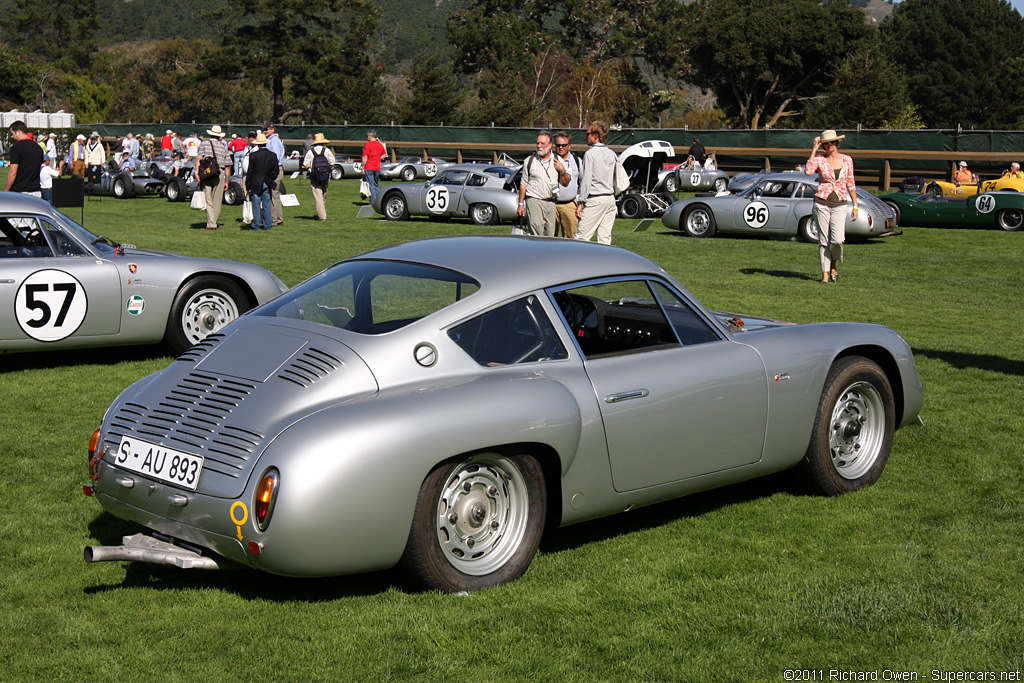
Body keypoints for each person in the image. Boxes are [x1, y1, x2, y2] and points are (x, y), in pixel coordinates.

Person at [805, 129, 857, 284]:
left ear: (837, 143)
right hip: (821, 203)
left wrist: (855, 206)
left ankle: (834, 265)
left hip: (840, 204)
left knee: (838, 240)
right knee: (823, 240)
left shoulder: (847, 160)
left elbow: (851, 183)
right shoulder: (820, 159)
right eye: (826, 143)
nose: (829, 146)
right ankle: (825, 274)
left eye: (832, 143)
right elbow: (808, 171)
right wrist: (814, 148)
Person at [517, 130, 567, 237]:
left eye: (542, 143)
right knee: (536, 233)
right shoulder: (529, 161)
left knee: (550, 235)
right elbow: (523, 184)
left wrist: (562, 171)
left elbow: (565, 183)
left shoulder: (558, 161)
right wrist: (521, 204)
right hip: (534, 200)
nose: (539, 146)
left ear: (550, 145)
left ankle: (548, 253)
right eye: (538, 143)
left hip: (551, 202)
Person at [575, 121, 618, 245]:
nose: (586, 136)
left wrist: (581, 202)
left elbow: (586, 180)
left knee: (581, 239)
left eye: (588, 133)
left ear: (595, 135)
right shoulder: (612, 154)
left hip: (595, 199)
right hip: (610, 199)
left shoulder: (590, 154)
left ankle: (577, 264)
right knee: (604, 240)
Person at [196, 125, 232, 230]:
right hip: (219, 172)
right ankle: (213, 221)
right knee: (217, 200)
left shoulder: (204, 144)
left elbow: (199, 159)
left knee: (208, 199)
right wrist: (227, 181)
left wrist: (197, 172)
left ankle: (211, 223)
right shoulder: (223, 147)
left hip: (207, 172)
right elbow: (227, 166)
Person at [245, 132, 278, 231]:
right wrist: (270, 178)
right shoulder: (272, 155)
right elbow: (276, 170)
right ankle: (268, 225)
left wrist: (248, 184)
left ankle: (256, 225)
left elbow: (250, 171)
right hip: (267, 181)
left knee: (256, 204)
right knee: (267, 204)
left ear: (257, 144)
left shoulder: (253, 155)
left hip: (256, 182)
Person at [553, 131, 580, 238]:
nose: (560, 147)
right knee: (548, 238)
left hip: (569, 205)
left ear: (569, 146)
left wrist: (581, 204)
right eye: (558, 145)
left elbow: (583, 183)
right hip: (551, 204)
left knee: (571, 239)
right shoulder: (549, 160)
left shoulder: (577, 161)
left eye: (564, 145)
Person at [302, 132, 335, 221]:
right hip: (325, 176)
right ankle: (321, 213)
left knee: (318, 196)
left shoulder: (310, 152)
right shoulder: (327, 151)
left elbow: (306, 165)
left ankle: (322, 216)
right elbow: (332, 163)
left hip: (315, 177)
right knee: (324, 195)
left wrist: (311, 170)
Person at [5, 121, 44, 196]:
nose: (11, 136)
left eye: (12, 133)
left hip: (20, 191)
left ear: (19, 132)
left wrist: (7, 190)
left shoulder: (16, 148)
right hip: (36, 191)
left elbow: (13, 172)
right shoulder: (38, 148)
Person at [264, 121, 286, 226]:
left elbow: (275, 157)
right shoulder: (272, 140)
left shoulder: (274, 141)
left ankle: (275, 219)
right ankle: (277, 219)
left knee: (274, 194)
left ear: (272, 129)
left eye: (266, 129)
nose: (264, 131)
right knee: (274, 194)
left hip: (275, 169)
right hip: (275, 169)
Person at [361, 129, 387, 203]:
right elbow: (384, 155)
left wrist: (363, 167)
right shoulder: (380, 144)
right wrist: (379, 158)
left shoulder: (368, 145)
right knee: (376, 184)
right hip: (377, 167)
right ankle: (380, 199)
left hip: (369, 166)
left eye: (367, 136)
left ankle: (374, 201)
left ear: (370, 136)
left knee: (371, 185)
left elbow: (365, 157)